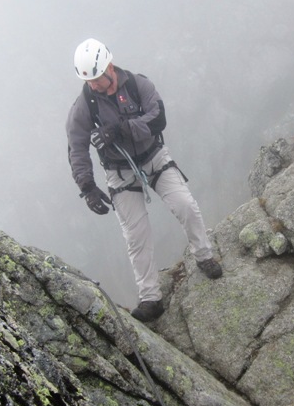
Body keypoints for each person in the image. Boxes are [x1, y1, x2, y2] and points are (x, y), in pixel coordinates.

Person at [66, 38, 223, 322]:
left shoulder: (139, 85)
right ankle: (151, 298)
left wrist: (121, 129)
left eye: (97, 79)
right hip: (119, 172)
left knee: (184, 205)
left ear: (109, 67)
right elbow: (76, 146)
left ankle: (204, 256)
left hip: (155, 158)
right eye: (89, 82)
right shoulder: (85, 106)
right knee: (136, 236)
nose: (94, 86)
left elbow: (158, 119)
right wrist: (87, 187)